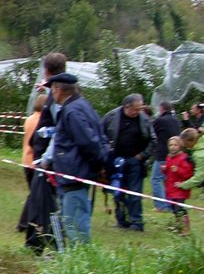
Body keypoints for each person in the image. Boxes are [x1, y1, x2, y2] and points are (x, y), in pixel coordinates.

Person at [43, 73, 110, 245]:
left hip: (75, 174)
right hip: (75, 173)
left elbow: (88, 142)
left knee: (75, 226)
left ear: (58, 90)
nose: (51, 94)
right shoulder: (82, 106)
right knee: (70, 222)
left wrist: (97, 166)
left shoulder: (72, 111)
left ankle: (81, 265)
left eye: (52, 90)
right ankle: (72, 263)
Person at [102, 93, 155, 231]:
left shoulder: (144, 119)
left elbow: (153, 140)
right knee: (117, 190)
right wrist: (107, 152)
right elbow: (101, 136)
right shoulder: (111, 116)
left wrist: (143, 155)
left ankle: (136, 221)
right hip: (115, 160)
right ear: (126, 107)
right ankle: (121, 219)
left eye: (140, 109)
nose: (138, 112)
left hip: (135, 160)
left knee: (135, 192)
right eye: (135, 109)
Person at [150, 100, 183, 212]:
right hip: (175, 154)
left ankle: (161, 205)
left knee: (156, 179)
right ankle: (170, 205)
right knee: (169, 180)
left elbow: (152, 133)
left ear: (162, 109)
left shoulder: (160, 120)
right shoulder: (176, 120)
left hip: (162, 153)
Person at [163, 131, 196, 235]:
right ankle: (179, 226)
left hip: (180, 188)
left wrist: (178, 170)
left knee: (180, 208)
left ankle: (186, 228)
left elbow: (188, 173)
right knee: (174, 209)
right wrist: (164, 169)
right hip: (171, 188)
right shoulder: (169, 157)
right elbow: (168, 172)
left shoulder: (183, 158)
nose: (173, 147)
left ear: (180, 146)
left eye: (175, 145)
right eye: (170, 145)